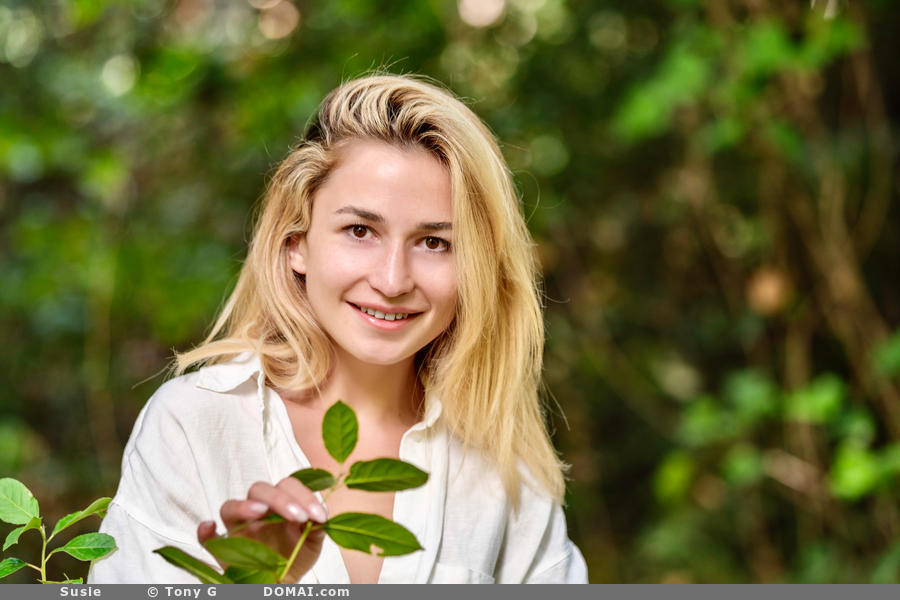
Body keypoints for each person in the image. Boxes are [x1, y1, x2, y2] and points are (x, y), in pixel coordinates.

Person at [89, 74, 588, 584]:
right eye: (360, 231)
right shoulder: (195, 427)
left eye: (434, 242)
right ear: (297, 242)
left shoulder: (505, 470)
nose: (392, 280)